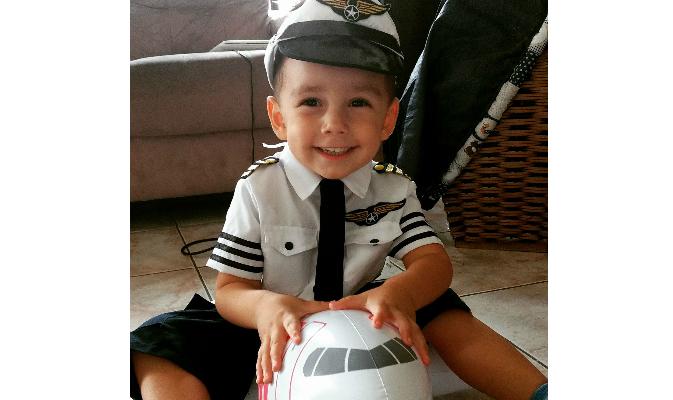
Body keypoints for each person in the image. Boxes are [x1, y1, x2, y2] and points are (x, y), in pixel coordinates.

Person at [130, 1, 548, 399]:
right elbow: (230, 290)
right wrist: (265, 308)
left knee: (445, 311)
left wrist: (402, 293)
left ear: (388, 119)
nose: (335, 123)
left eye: (358, 103)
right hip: (273, 321)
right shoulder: (259, 188)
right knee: (157, 343)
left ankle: (541, 393)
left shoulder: (395, 189)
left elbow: (434, 263)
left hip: (364, 308)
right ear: (279, 117)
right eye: (311, 102)